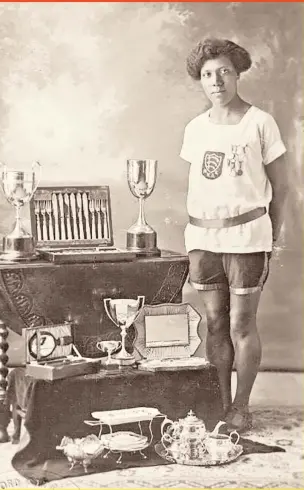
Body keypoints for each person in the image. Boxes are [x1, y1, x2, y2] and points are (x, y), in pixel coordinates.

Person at [180, 38, 289, 432]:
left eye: (224, 71)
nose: (216, 81)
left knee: (242, 324)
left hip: (247, 238)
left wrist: (271, 235)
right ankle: (219, 403)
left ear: (237, 73)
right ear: (201, 81)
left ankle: (241, 407)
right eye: (208, 74)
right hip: (203, 239)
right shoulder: (195, 128)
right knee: (213, 323)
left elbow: (282, 188)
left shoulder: (260, 122)